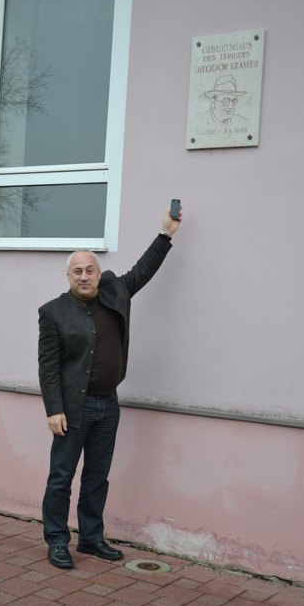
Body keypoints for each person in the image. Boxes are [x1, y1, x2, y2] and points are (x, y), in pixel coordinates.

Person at [38, 206, 183, 569]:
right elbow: (49, 366)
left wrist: (166, 234)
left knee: (97, 476)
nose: (84, 276)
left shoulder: (116, 290)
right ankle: (57, 540)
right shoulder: (53, 313)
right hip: (72, 409)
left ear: (99, 274)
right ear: (68, 276)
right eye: (77, 271)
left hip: (108, 405)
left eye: (90, 270)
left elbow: (143, 270)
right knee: (61, 477)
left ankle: (90, 539)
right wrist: (53, 409)